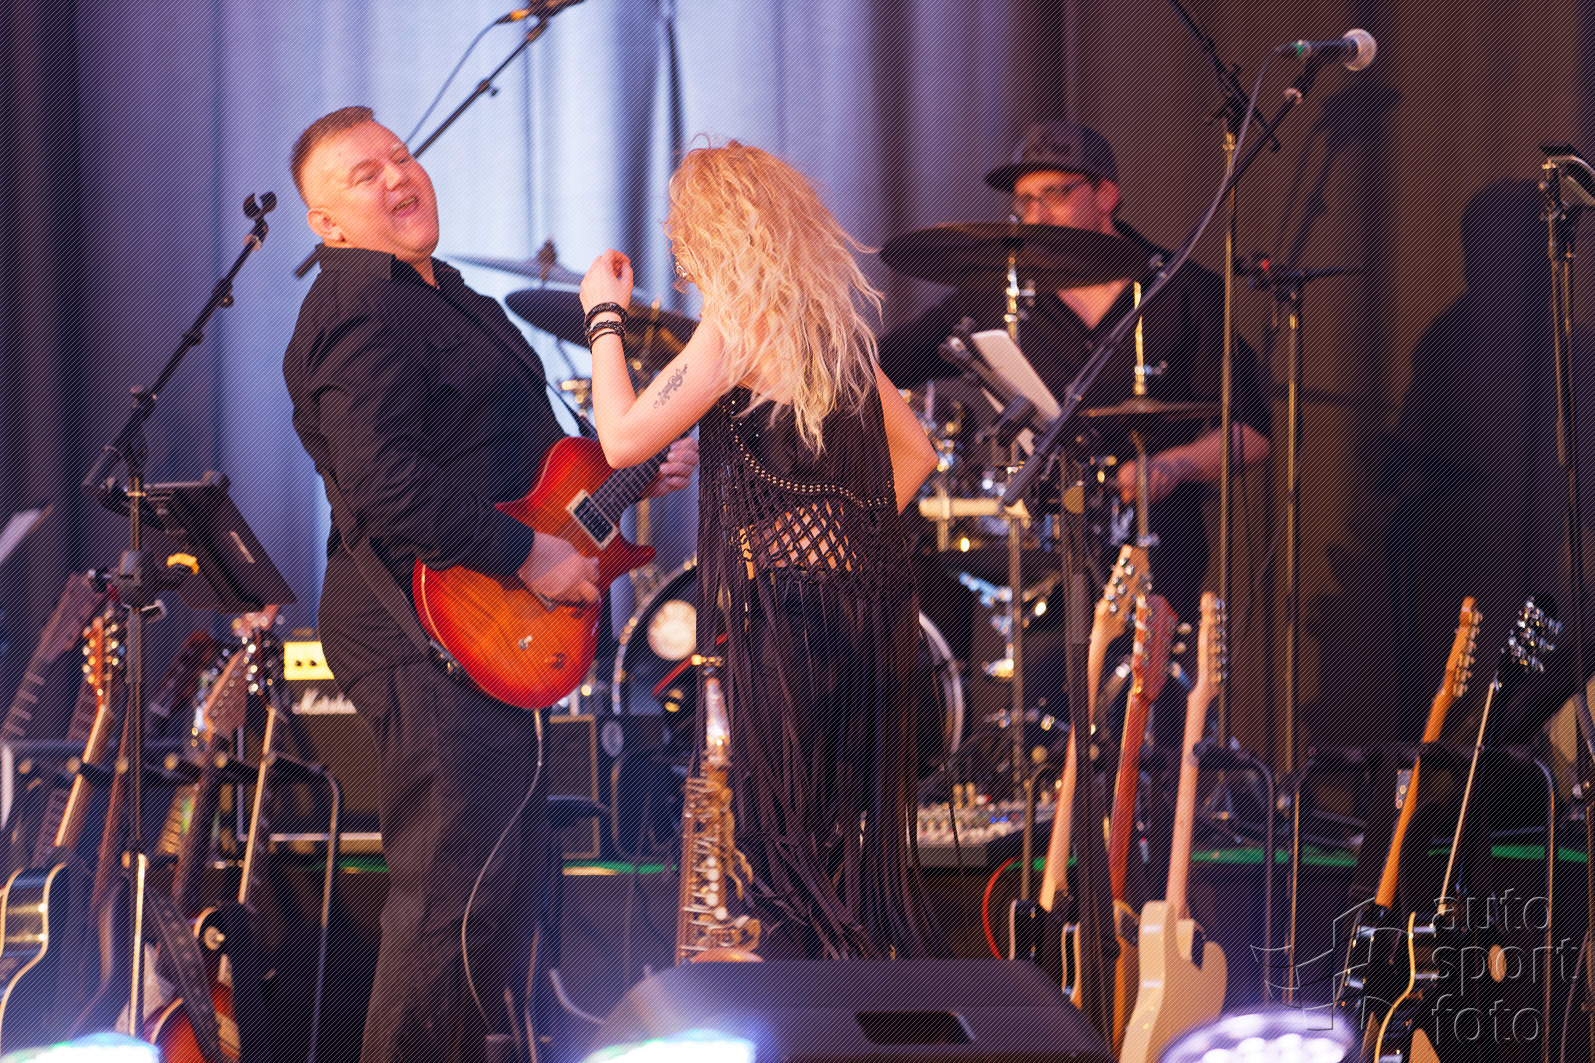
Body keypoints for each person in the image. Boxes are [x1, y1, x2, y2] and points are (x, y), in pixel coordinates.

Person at [281, 106, 696, 1063]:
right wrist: (528, 557)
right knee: (450, 902)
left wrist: (624, 469)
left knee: (493, 905)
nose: (397, 175)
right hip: (419, 628)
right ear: (325, 224)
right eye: (364, 174)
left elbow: (510, 465)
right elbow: (383, 481)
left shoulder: (456, 299)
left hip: (478, 628)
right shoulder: (357, 308)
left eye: (400, 156)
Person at [578, 141, 941, 959]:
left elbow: (623, 439)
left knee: (771, 849)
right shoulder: (832, 332)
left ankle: (791, 1006)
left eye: (682, 232)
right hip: (862, 620)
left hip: (789, 623)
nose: (676, 250)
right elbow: (916, 453)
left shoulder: (735, 328)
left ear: (711, 231)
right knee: (832, 847)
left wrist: (603, 318)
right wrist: (837, 533)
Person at [879, 120, 1271, 623]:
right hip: (1036, 559)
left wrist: (1171, 466)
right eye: (1025, 201)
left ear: (1106, 195)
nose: (1036, 215)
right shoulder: (998, 293)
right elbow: (881, 365)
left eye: (1055, 194)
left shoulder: (1182, 290)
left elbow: (1252, 434)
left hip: (1152, 550)